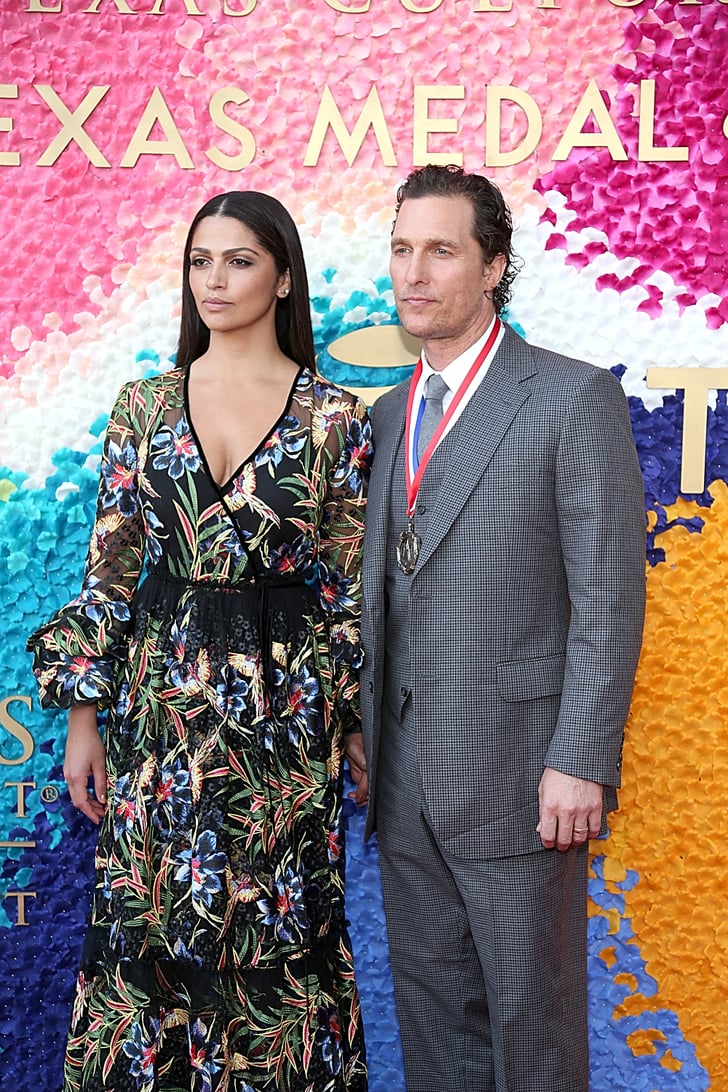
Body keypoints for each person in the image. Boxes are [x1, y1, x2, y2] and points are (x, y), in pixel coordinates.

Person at [27, 191, 371, 1092]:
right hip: (158, 717)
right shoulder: (143, 406)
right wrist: (82, 719)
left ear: (284, 275)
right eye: (200, 261)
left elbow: (349, 592)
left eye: (240, 260)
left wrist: (354, 723)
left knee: (277, 930)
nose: (215, 280)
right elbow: (108, 572)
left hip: (285, 726)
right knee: (149, 923)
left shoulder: (336, 419)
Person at [344, 164, 646, 1092]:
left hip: (524, 775)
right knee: (436, 1030)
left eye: (441, 249)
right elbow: (385, 591)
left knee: (533, 1031)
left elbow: (608, 597)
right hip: (401, 782)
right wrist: (359, 728)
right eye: (401, 249)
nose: (414, 273)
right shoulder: (389, 415)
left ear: (494, 267)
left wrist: (582, 757)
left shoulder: (569, 397)